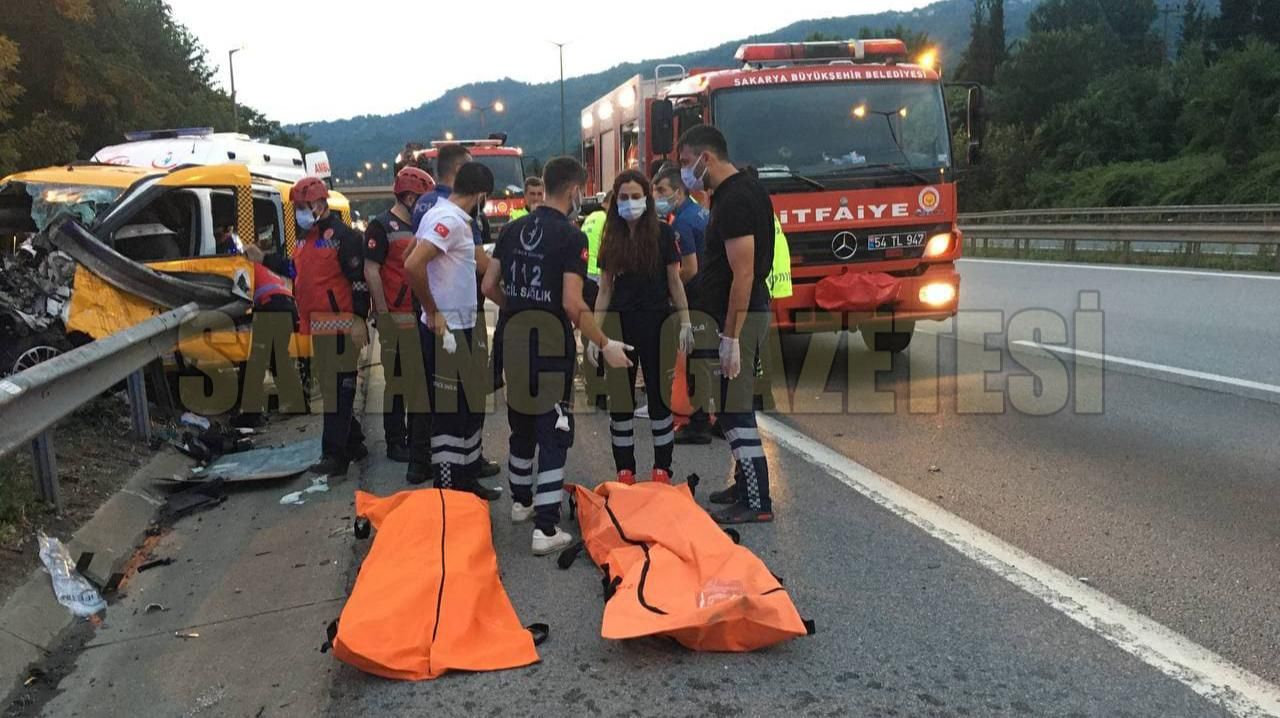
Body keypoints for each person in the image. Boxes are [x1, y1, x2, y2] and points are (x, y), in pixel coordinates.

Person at [483, 156, 632, 555]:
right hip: (549, 345)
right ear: (574, 190)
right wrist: (604, 343)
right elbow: (572, 303)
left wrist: (517, 307)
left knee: (521, 424)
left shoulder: (512, 229)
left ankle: (521, 503)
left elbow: (489, 285)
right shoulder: (571, 237)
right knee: (554, 431)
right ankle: (546, 528)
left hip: (514, 339)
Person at [677, 125, 775, 524]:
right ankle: (743, 483)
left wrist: (731, 337)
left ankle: (756, 500)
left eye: (687, 162)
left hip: (740, 317)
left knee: (735, 411)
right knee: (733, 405)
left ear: (706, 158)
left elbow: (743, 273)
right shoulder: (741, 190)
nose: (685, 172)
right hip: (740, 313)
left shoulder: (734, 200)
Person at [404, 144, 502, 485]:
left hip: (461, 326)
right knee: (449, 414)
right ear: (480, 194)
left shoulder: (439, 213)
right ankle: (450, 488)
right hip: (448, 331)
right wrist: (433, 311)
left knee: (464, 407)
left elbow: (410, 252)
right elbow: (412, 264)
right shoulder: (450, 220)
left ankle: (467, 479)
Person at [590, 169, 694, 485]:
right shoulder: (611, 236)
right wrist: (595, 335)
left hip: (657, 324)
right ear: (615, 201)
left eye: (636, 196)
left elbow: (675, 282)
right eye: (623, 197)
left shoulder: (663, 234)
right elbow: (604, 289)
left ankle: (662, 470)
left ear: (646, 199)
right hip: (619, 327)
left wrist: (685, 321)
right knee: (621, 402)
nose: (630, 202)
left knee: (660, 400)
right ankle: (625, 471)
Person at [289, 176, 370, 477]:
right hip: (318, 327)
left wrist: (359, 318)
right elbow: (297, 271)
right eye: (297, 206)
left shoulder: (344, 237)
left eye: (303, 205)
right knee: (331, 387)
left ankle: (334, 455)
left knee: (338, 390)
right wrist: (264, 259)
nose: (299, 211)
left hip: (341, 327)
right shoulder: (305, 238)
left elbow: (358, 281)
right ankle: (354, 442)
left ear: (320, 203)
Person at [364, 167, 435, 462]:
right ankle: (395, 441)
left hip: (419, 315)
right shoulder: (381, 226)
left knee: (418, 381)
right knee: (396, 382)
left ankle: (416, 438)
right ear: (409, 198)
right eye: (422, 199)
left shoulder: (420, 227)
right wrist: (383, 314)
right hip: (396, 315)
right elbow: (371, 270)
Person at [654, 167, 717, 445]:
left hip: (697, 297)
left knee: (696, 362)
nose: (657, 197)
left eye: (662, 191)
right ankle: (720, 418)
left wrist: (670, 289)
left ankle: (699, 422)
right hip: (711, 293)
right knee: (709, 360)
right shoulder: (700, 213)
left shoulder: (681, 223)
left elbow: (689, 268)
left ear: (678, 192)